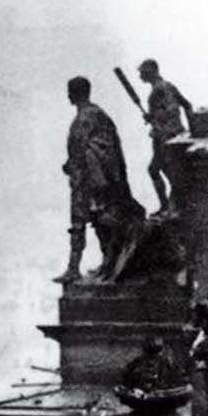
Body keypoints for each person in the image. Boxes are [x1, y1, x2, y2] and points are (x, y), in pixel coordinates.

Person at [57, 76, 138, 284]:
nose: (67, 95)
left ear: (76, 93)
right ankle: (105, 262)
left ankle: (77, 268)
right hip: (93, 178)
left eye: (70, 91)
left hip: (90, 180)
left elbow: (81, 147)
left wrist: (72, 165)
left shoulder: (87, 116)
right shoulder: (96, 114)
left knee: (86, 221)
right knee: (97, 221)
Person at [138, 59, 194, 215]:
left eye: (143, 71)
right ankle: (168, 204)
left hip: (167, 137)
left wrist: (156, 119)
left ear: (152, 71)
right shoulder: (161, 87)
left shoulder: (162, 88)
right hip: (162, 136)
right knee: (156, 169)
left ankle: (175, 203)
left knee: (169, 170)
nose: (141, 75)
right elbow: (185, 106)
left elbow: (173, 109)